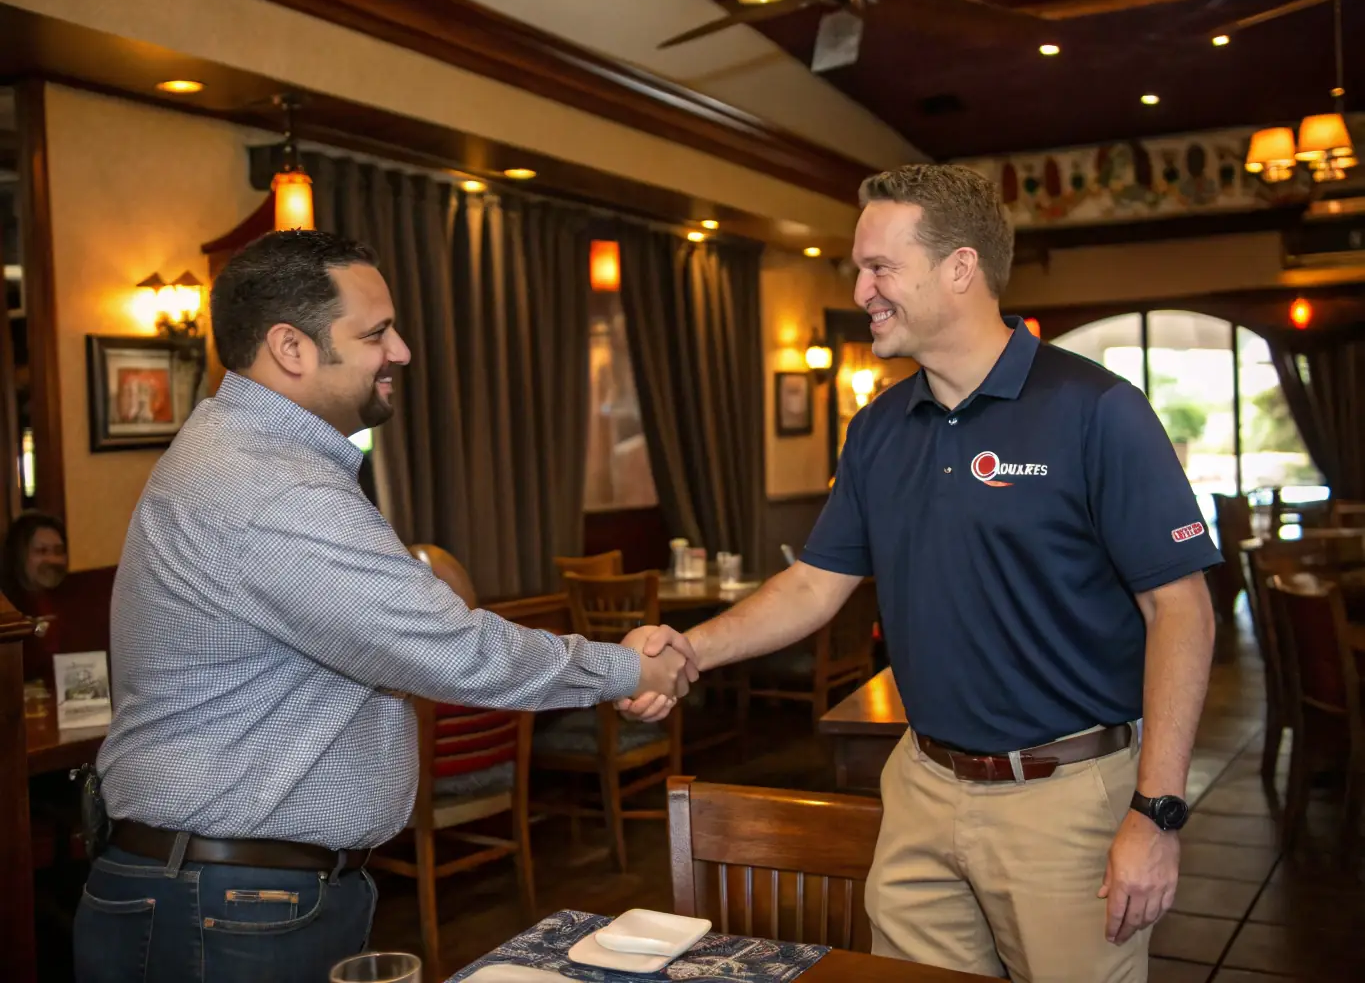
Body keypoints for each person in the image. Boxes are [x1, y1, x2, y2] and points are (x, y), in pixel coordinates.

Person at [623, 164, 1220, 981]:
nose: (861, 288)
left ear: (960, 268)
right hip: (918, 783)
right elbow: (812, 585)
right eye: (858, 267)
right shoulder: (878, 427)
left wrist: (1156, 813)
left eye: (879, 267)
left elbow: (1180, 610)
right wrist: (689, 652)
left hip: (1064, 798)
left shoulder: (1094, 409)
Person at [75, 230, 696, 983]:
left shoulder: (250, 456)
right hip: (226, 905)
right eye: (375, 333)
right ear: (290, 348)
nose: (400, 351)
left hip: (228, 889)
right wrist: (626, 666)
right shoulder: (273, 487)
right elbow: (448, 649)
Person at [0, 509, 70, 681]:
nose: (53, 560)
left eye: (58, 551)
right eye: (41, 551)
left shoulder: (74, 601)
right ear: (18, 555)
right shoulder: (6, 610)